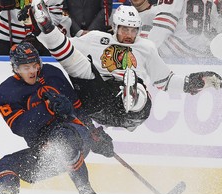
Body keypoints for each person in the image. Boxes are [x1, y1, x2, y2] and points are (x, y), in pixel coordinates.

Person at [20, 1, 222, 132]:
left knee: (137, 84)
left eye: (133, 30)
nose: (129, 34)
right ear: (115, 27)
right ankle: (45, 23)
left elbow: (166, 81)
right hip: (100, 101)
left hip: (134, 112)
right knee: (80, 66)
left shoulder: (146, 47)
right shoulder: (96, 39)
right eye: (124, 28)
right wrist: (41, 31)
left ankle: (132, 93)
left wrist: (193, 82)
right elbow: (65, 47)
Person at [0, 41, 114, 194]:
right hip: (46, 153)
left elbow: (78, 109)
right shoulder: (5, 93)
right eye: (25, 67)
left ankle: (84, 186)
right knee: (5, 164)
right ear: (15, 68)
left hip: (75, 136)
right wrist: (46, 108)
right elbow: (20, 127)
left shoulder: (53, 75)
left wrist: (93, 134)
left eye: (34, 65)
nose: (32, 71)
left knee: (62, 138)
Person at [130, 0, 222, 58]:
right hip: (202, 52)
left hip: (179, 52)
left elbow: (164, 25)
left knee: (139, 32)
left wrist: (141, 54)